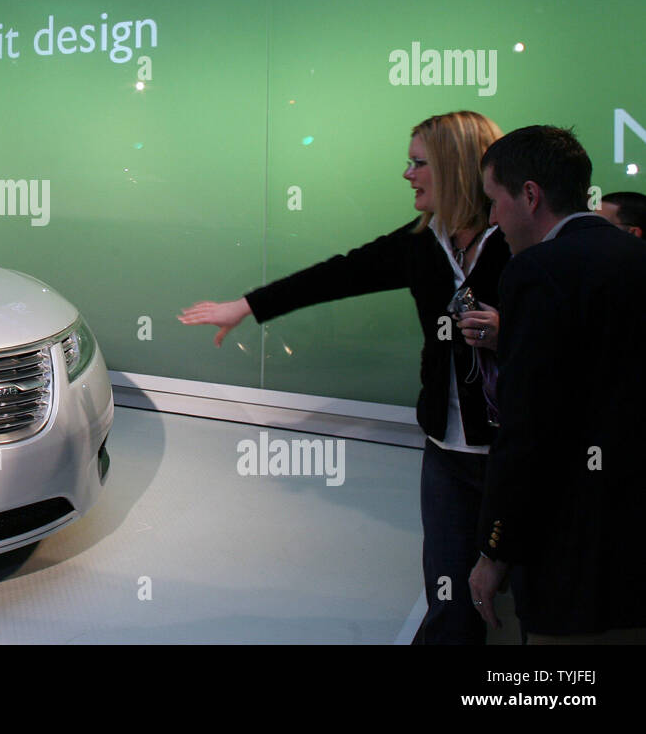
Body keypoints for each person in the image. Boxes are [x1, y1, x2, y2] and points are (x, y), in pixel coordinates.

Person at [180, 110, 507, 644]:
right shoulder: (425, 240)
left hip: (513, 452)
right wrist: (244, 306)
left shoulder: (519, 243)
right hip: (445, 451)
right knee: (448, 596)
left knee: (524, 601)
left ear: (455, 167)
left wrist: (507, 333)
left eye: (419, 163)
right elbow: (341, 273)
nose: (407, 174)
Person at [469, 127, 646, 642]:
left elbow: (529, 428)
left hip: (569, 549)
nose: (493, 219)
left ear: (529, 195)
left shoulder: (538, 271)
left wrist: (494, 549)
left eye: (494, 202)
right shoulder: (634, 258)